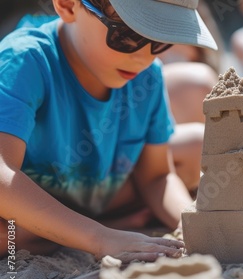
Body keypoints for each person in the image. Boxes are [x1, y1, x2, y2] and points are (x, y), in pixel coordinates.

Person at [0, 0, 218, 262]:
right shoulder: (26, 59)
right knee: (8, 235)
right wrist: (99, 237)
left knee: (198, 144)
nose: (144, 57)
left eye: (161, 39)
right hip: (25, 201)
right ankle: (96, 226)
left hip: (94, 192)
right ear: (68, 6)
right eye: (127, 35)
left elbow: (157, 176)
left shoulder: (148, 75)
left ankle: (76, 227)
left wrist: (189, 223)